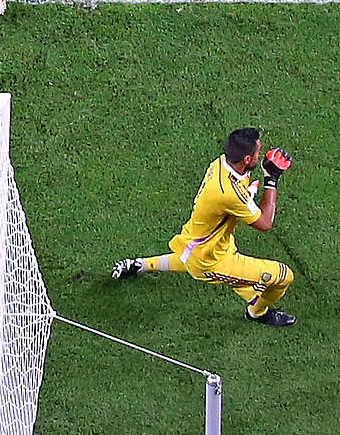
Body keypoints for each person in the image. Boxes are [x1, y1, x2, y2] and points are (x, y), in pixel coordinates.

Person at [112, 128, 299, 327]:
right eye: (257, 152)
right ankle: (257, 312)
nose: (260, 155)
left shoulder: (220, 164)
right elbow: (265, 223)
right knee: (283, 276)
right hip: (211, 261)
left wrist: (249, 192)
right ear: (246, 159)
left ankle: (139, 265)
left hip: (202, 242)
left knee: (192, 259)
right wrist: (271, 178)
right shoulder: (229, 193)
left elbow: (237, 195)